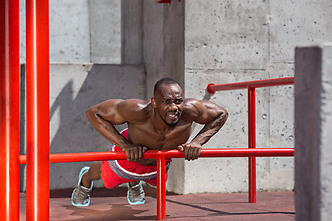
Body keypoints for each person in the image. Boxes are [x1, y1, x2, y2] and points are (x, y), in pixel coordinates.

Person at [71, 77, 228, 206]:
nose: (174, 107)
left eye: (178, 101)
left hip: (159, 163)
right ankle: (85, 180)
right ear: (154, 102)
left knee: (156, 183)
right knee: (105, 179)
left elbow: (222, 113)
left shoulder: (191, 110)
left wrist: (198, 141)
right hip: (128, 156)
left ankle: (134, 182)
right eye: (166, 102)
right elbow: (93, 113)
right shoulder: (137, 110)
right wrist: (125, 145)